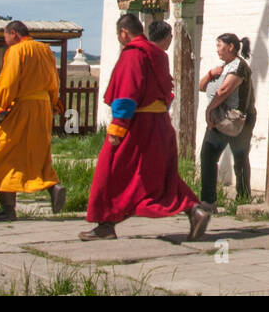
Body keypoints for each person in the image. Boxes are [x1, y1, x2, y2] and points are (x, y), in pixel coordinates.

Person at [80, 14, 209, 241]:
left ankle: (106, 225)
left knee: (109, 171)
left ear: (123, 33)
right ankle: (193, 209)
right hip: (159, 123)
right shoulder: (157, 53)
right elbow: (166, 89)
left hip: (137, 125)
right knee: (158, 175)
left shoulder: (133, 55)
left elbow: (128, 91)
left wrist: (119, 126)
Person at [0, 21, 66, 221]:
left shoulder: (17, 51)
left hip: (23, 106)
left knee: (3, 153)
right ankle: (53, 187)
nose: (6, 42)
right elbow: (54, 79)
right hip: (43, 107)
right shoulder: (45, 50)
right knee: (38, 152)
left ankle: (8, 209)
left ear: (14, 33)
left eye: (6, 38)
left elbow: (8, 82)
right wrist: (53, 103)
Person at [198, 32, 255, 209]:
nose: (218, 50)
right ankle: (208, 200)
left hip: (235, 120)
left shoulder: (239, 67)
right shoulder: (224, 67)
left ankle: (243, 197)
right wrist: (210, 74)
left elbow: (223, 91)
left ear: (231, 47)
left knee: (240, 157)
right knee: (208, 155)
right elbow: (201, 86)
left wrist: (209, 109)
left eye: (219, 45)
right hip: (219, 119)